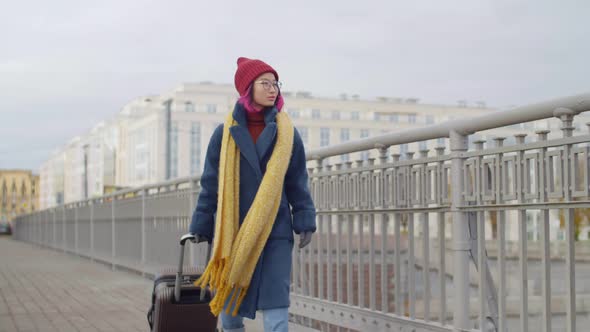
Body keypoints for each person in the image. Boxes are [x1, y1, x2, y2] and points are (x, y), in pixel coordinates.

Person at [189, 57, 316, 332]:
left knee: (276, 311)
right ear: (248, 88)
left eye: (276, 84)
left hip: (275, 231)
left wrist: (304, 218)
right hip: (234, 233)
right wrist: (201, 224)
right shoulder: (224, 134)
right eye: (265, 83)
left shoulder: (288, 134)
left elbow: (297, 181)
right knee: (231, 315)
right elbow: (210, 184)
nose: (273, 90)